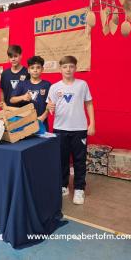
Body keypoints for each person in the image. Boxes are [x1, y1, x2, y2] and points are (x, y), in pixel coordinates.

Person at [47, 55, 95, 205]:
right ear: (60, 69)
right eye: (65, 66)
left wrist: (92, 123)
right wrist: (49, 107)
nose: (68, 69)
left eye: (71, 66)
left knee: (79, 161)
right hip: (60, 129)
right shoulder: (54, 87)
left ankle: (79, 188)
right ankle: (63, 185)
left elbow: (89, 104)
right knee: (62, 159)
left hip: (79, 129)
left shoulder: (82, 85)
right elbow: (49, 106)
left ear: (75, 68)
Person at [10, 56, 51, 130]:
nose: (35, 70)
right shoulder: (22, 84)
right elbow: (12, 100)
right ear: (28, 70)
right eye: (32, 68)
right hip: (25, 122)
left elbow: (50, 104)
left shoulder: (47, 85)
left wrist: (43, 117)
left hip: (41, 122)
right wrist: (22, 97)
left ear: (42, 69)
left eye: (38, 67)